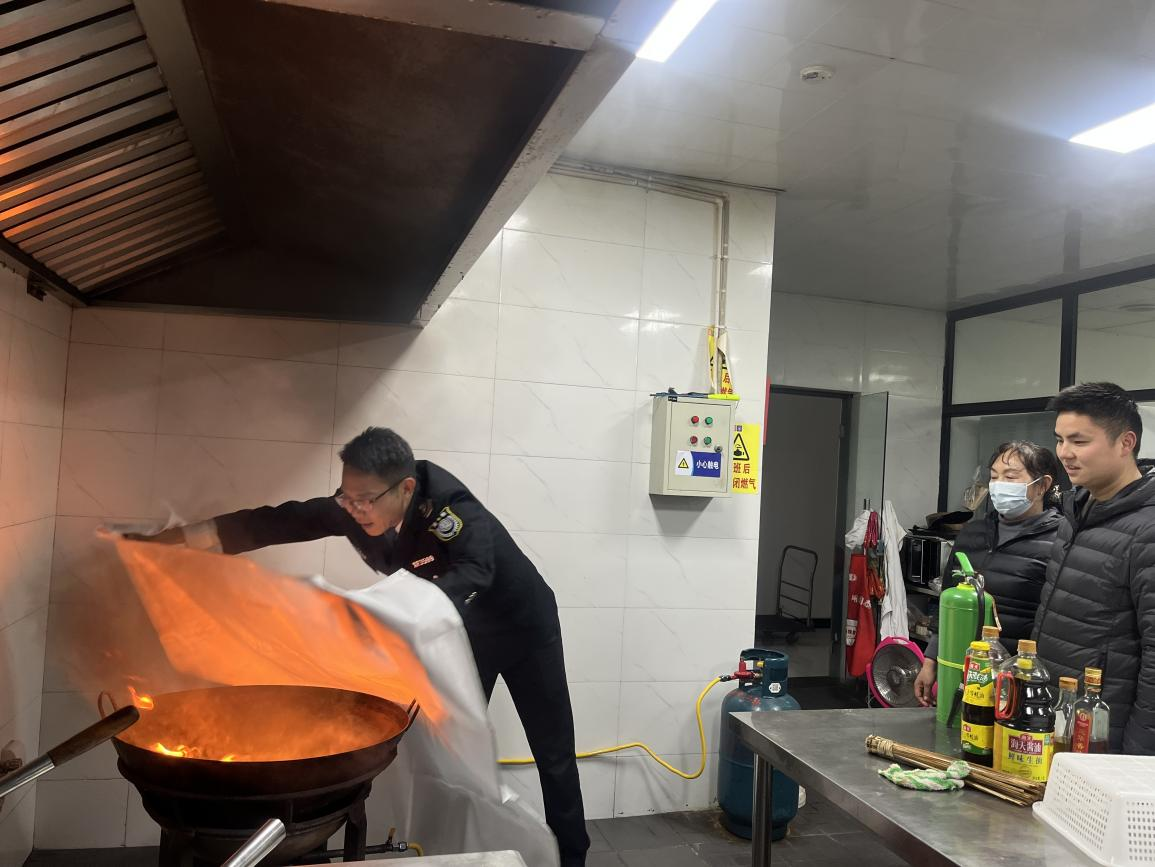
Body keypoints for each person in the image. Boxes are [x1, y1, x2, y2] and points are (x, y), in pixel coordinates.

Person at [130, 426, 590, 864]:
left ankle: (572, 856)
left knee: (552, 754)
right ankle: (455, 849)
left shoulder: (449, 508)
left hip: (523, 628)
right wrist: (180, 541)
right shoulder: (354, 504)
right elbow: (279, 521)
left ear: (406, 489)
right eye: (347, 498)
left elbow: (475, 570)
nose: (355, 510)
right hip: (459, 632)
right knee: (451, 751)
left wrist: (401, 613)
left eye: (366, 500)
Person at [1033, 382, 1155, 754]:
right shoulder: (1075, 512)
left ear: (1126, 442)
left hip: (1105, 738)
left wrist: (1137, 758)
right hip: (1058, 720)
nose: (1064, 453)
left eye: (1079, 441)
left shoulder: (1147, 530)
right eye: (1060, 440)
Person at [914, 441, 1062, 706]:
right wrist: (931, 660)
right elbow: (947, 604)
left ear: (1042, 485)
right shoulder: (973, 534)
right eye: (994, 477)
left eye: (1011, 477)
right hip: (962, 669)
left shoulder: (1060, 541)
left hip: (1018, 680)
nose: (999, 484)